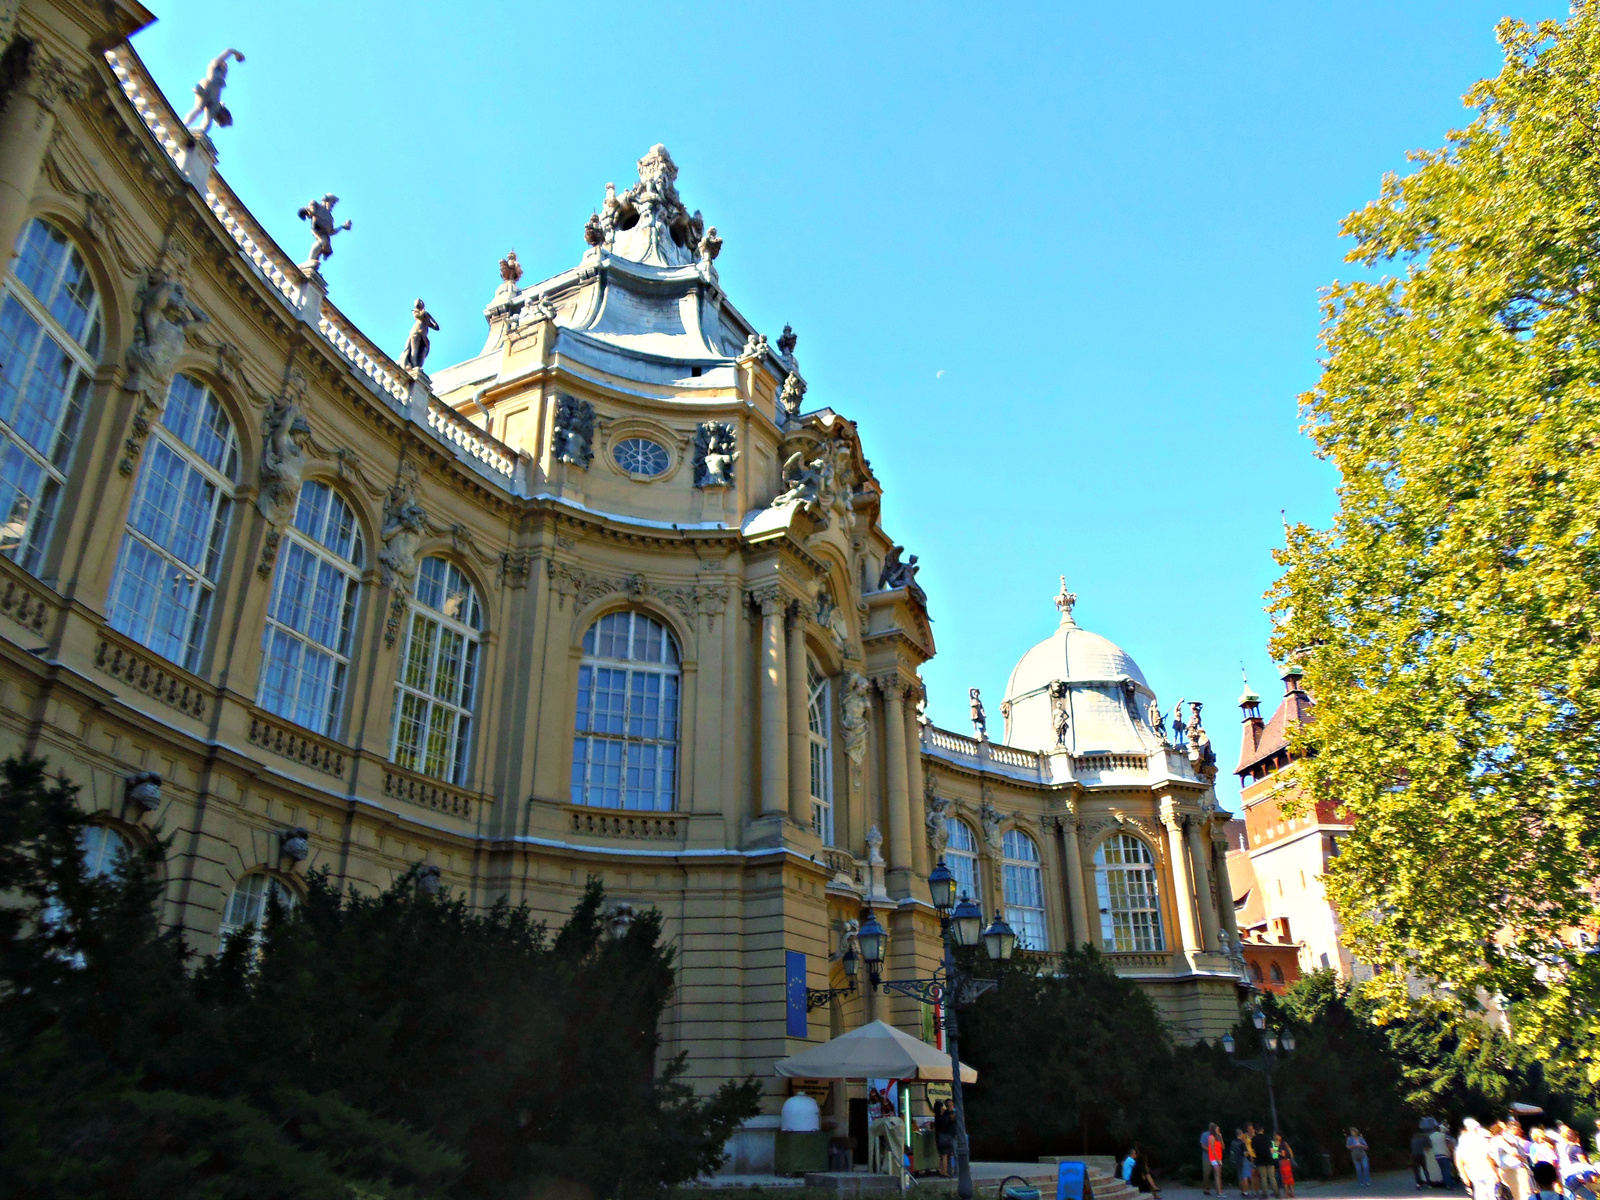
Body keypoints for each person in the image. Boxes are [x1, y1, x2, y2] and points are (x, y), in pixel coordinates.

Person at [933, 1100, 956, 1179]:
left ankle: (942, 1171)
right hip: (946, 1136)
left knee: (943, 1155)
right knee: (945, 1155)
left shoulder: (939, 1115)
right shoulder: (947, 1115)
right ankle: (944, 1172)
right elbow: (946, 1124)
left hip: (940, 1136)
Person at [1253, 1125, 1277, 1198]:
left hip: (1260, 1160)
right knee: (1272, 1177)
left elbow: (1253, 1150)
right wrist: (1274, 1157)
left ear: (1256, 1131)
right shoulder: (1267, 1138)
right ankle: (1276, 1192)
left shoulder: (1254, 1139)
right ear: (1262, 1130)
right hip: (1269, 1159)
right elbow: (1272, 1149)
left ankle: (1264, 1193)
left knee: (1263, 1177)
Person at [1274, 1133, 1297, 1199]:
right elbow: (1290, 1150)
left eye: (1276, 1135)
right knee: (1289, 1177)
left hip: (1283, 1162)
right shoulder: (1284, 1143)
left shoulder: (1280, 1144)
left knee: (1285, 1178)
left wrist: (1276, 1152)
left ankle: (1286, 1194)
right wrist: (1291, 1158)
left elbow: (1282, 1154)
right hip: (1287, 1161)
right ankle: (1292, 1192)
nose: (1275, 1137)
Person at [1240, 1125, 1258, 1198]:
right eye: (1249, 1129)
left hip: (1255, 1156)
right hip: (1247, 1156)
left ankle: (1255, 1191)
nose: (1251, 1130)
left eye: (1252, 1128)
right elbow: (1243, 1145)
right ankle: (1245, 1192)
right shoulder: (1244, 1136)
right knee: (1247, 1174)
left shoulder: (1255, 1136)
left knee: (1255, 1175)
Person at [1209, 1123, 1226, 1196]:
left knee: (1219, 1174)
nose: (1218, 1130)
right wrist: (1217, 1159)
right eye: (1217, 1129)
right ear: (1214, 1130)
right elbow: (1212, 1149)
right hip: (1214, 1158)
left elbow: (1223, 1147)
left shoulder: (1218, 1137)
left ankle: (1219, 1190)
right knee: (1217, 1174)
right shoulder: (1211, 1137)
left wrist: (1221, 1138)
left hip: (1219, 1157)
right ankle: (1219, 1192)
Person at [1202, 1126, 1216, 1195]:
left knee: (1217, 1174)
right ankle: (1206, 1189)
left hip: (1216, 1157)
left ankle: (1218, 1189)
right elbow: (1203, 1145)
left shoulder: (1217, 1135)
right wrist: (1211, 1151)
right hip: (1207, 1157)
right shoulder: (1205, 1135)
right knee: (1206, 1174)